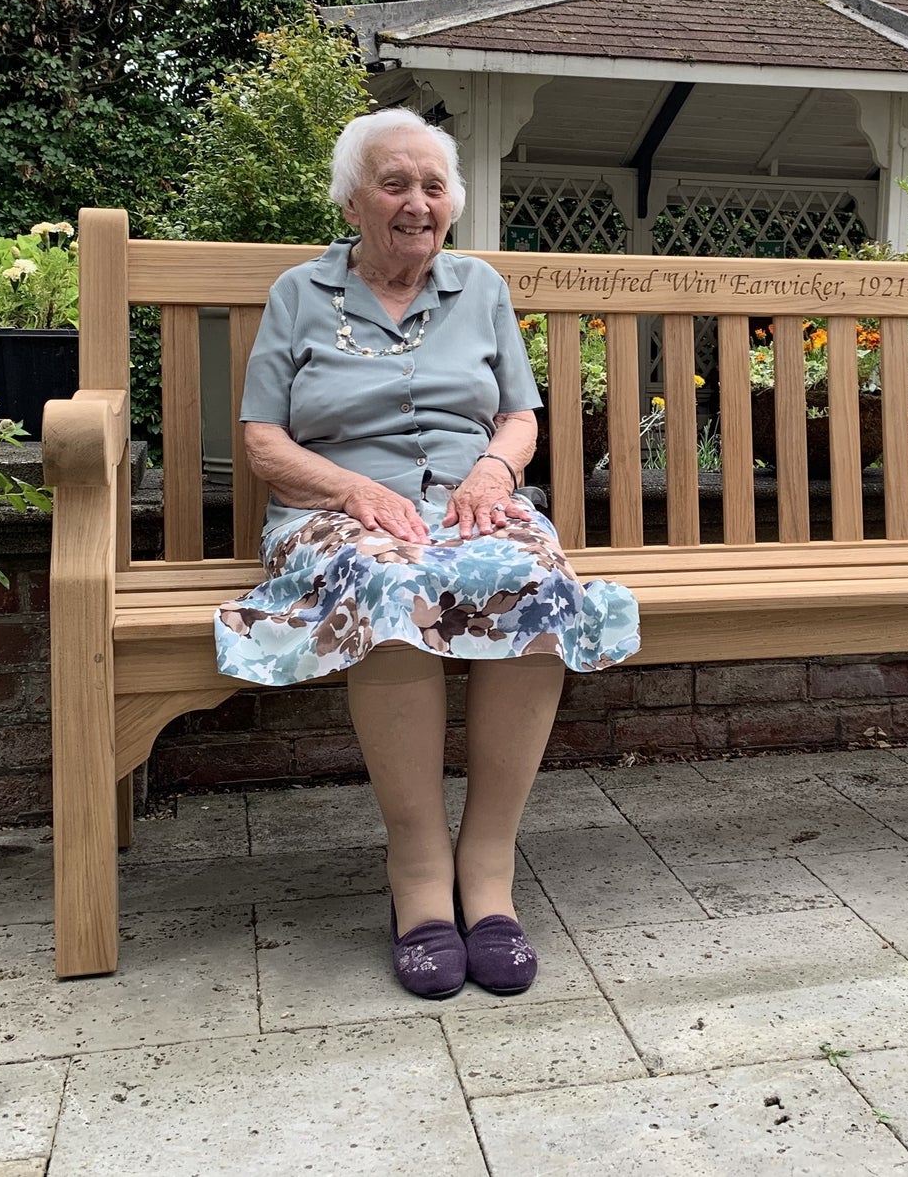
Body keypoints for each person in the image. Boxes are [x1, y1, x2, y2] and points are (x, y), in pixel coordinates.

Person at [214, 107, 640, 1000]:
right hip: (338, 515)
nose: (416, 202)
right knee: (391, 581)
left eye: (432, 185)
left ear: (452, 204)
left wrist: (491, 471)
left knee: (531, 576)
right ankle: (416, 876)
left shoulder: (479, 287)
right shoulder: (301, 293)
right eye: (394, 183)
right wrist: (354, 491)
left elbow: (519, 416)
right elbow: (262, 439)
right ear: (352, 204)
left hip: (468, 505)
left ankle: (486, 874)